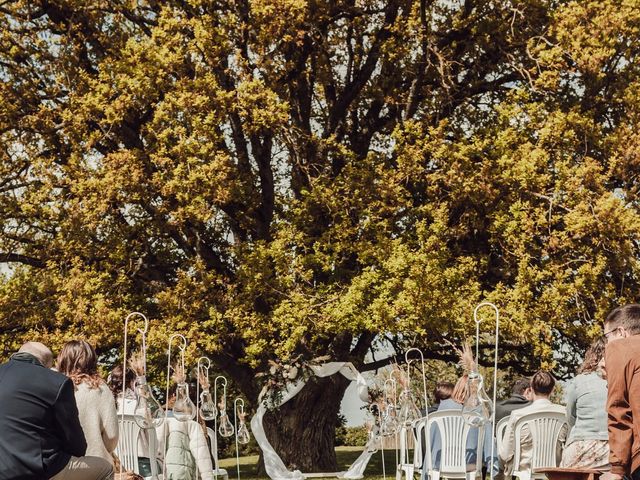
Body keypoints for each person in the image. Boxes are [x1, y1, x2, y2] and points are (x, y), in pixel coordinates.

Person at [0, 341, 113, 480]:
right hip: (38, 468)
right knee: (105, 468)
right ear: (46, 364)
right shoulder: (56, 382)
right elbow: (76, 444)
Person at [422, 375, 499, 480]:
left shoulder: (441, 411)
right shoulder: (478, 413)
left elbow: (432, 443)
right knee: (480, 461)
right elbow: (488, 445)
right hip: (469, 464)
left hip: (441, 462)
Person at [57, 340, 119, 466]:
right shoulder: (101, 389)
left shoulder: (55, 387)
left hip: (63, 464)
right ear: (92, 360)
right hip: (96, 462)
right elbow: (112, 435)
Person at [499, 370, 566, 478]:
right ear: (553, 390)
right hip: (555, 470)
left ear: (532, 389)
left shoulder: (518, 415)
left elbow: (505, 454)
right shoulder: (564, 413)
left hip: (525, 471)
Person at [601, 304, 640, 480]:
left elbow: (618, 409)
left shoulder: (621, 347)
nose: (606, 343)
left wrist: (617, 468)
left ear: (621, 332)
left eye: (606, 336)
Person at [560, 337, 608, 469]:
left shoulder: (579, 381)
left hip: (582, 446)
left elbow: (570, 417)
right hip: (613, 449)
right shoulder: (624, 381)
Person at [157, 394, 216, 480]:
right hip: (180, 471)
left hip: (158, 468)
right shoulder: (190, 423)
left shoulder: (160, 418)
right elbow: (202, 452)